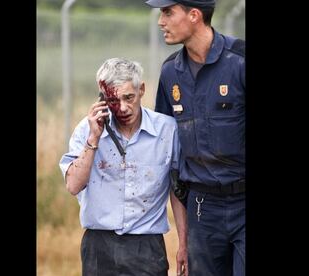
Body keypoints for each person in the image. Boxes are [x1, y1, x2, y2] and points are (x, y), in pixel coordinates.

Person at [59, 58, 188, 276]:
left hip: (146, 247)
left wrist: (184, 244)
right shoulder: (86, 130)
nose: (123, 107)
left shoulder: (167, 131)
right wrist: (94, 139)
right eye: (113, 100)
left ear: (142, 90)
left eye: (129, 97)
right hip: (99, 245)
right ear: (102, 97)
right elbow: (73, 185)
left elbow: (178, 192)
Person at [145, 1, 245, 276]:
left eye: (167, 13)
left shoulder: (240, 61)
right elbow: (171, 158)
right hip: (202, 209)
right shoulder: (170, 73)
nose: (160, 22)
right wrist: (183, 238)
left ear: (194, 15)